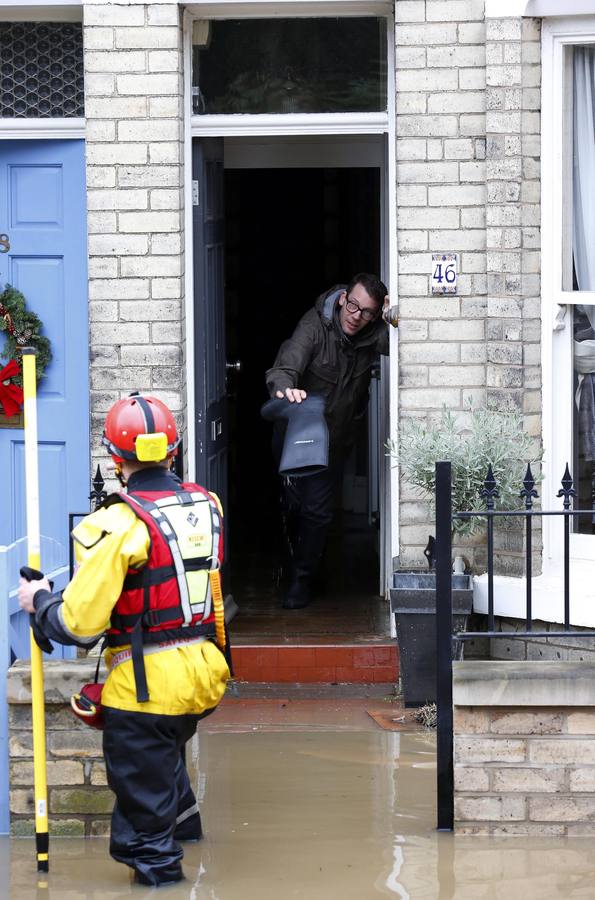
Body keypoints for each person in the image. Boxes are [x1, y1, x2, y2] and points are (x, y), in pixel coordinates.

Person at [18, 392, 230, 887]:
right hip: (204, 676)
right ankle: (186, 828)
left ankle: (164, 877)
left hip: (147, 689)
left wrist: (40, 601)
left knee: (145, 838)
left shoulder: (115, 524)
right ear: (172, 451)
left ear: (115, 460)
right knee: (166, 768)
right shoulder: (207, 505)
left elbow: (79, 626)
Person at [265, 272, 392, 610]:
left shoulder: (374, 331)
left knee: (318, 513)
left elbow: (413, 345)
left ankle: (302, 580)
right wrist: (285, 387)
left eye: (367, 312)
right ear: (342, 300)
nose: (357, 316)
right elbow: (287, 364)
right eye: (353, 306)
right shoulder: (314, 327)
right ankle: (292, 565)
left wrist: (398, 317)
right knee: (292, 507)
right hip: (294, 436)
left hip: (333, 442)